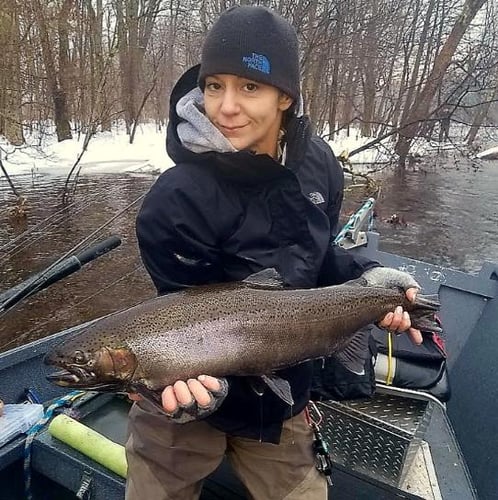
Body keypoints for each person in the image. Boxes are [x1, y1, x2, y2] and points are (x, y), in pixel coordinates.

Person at [127, 5, 422, 500]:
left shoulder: (319, 165)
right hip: (182, 410)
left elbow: (322, 256)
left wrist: (372, 279)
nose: (226, 106)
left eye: (249, 87)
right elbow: (176, 316)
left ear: (285, 96)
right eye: (215, 85)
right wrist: (176, 383)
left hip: (282, 395)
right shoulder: (174, 200)